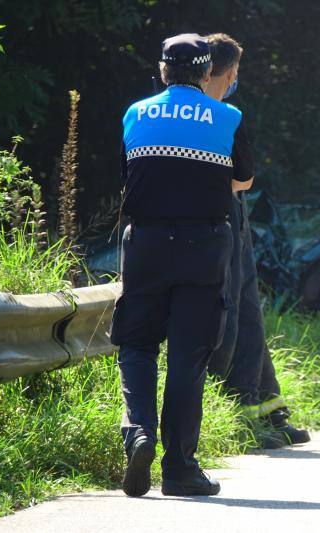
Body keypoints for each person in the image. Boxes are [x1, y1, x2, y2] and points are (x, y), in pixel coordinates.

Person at [110, 33, 254, 498]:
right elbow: (244, 179)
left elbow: (128, 174)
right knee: (188, 355)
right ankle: (179, 469)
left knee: (137, 345)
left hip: (146, 244)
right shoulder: (229, 117)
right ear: (208, 72)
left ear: (163, 69)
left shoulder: (136, 113)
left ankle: (138, 432)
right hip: (204, 246)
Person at [203, 32, 310, 448]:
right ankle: (239, 413)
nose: (235, 79)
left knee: (248, 311)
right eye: (235, 72)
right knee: (229, 313)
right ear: (226, 72)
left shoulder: (213, 113)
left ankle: (267, 410)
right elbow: (240, 178)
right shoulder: (219, 116)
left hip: (232, 216)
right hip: (214, 219)